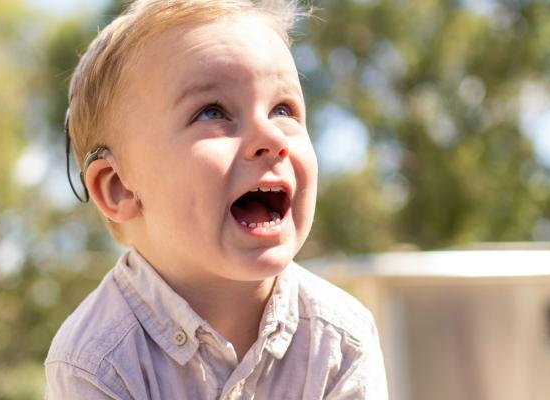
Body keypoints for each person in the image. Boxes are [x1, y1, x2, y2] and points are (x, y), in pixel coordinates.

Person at [44, 0, 388, 398]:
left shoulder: (341, 340)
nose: (271, 139)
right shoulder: (97, 362)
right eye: (212, 112)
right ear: (119, 187)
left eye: (283, 109)